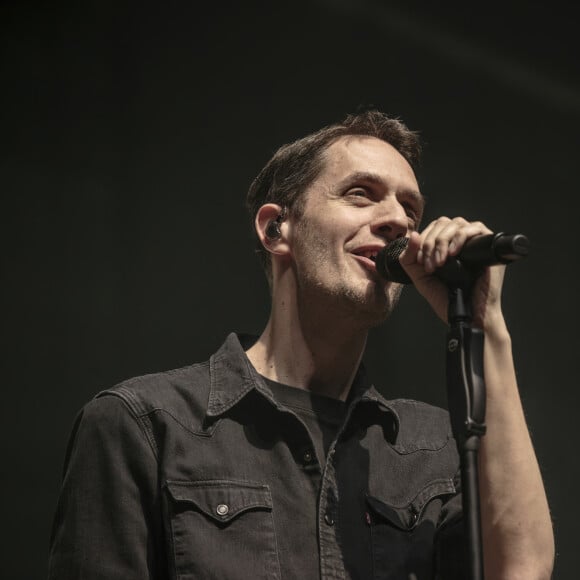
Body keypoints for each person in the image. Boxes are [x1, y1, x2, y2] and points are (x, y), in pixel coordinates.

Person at [48, 110, 554, 579]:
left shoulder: (436, 447)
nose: (398, 220)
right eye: (361, 193)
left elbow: (523, 569)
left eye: (411, 209)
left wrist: (486, 322)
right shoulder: (145, 426)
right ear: (275, 228)